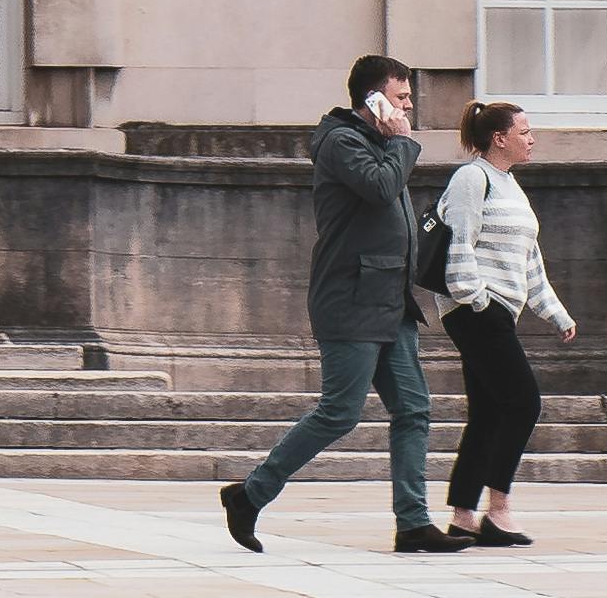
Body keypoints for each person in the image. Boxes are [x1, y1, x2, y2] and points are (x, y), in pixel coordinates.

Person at [220, 53, 457, 554]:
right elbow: (381, 188)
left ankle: (413, 522)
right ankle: (250, 494)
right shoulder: (342, 142)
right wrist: (402, 141)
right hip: (351, 299)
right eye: (400, 97)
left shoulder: (380, 143)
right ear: (373, 99)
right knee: (340, 413)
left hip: (391, 301)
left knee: (413, 408)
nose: (409, 106)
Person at [434, 101, 571, 547]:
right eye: (524, 131)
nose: (532, 139)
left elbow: (530, 262)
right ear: (499, 138)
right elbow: (459, 240)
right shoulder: (472, 178)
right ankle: (499, 509)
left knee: (489, 413)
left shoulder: (510, 185)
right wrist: (474, 297)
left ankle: (463, 517)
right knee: (523, 402)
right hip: (477, 309)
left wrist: (556, 313)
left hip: (498, 310)